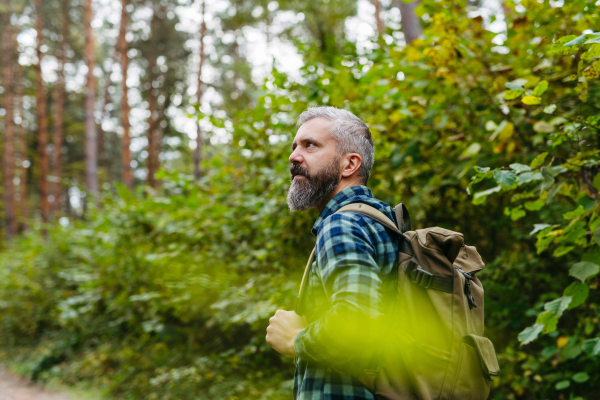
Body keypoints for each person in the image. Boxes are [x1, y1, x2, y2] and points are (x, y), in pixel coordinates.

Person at [265, 107, 400, 400]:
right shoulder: (383, 221)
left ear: (349, 164)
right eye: (294, 146)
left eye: (310, 145)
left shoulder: (342, 224)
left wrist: (296, 340)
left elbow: (356, 320)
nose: (294, 156)